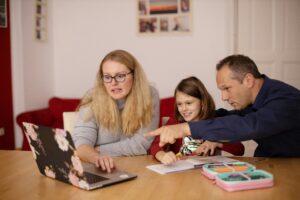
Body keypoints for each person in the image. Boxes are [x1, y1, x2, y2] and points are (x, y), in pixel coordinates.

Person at [146, 54, 300, 157]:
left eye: (227, 88)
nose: (224, 97)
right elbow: (232, 116)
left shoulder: (286, 100)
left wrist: (186, 128)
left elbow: (248, 125)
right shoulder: (255, 101)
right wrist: (202, 117)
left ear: (248, 80)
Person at [73, 49, 160, 172]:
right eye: (107, 77)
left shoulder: (149, 95)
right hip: (99, 168)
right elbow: (81, 145)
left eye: (120, 76)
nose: (113, 83)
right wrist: (96, 157)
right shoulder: (92, 97)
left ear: (134, 76)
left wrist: (99, 149)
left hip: (137, 169)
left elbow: (142, 143)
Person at [149, 77, 244, 164]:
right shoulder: (175, 122)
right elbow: (155, 146)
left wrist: (217, 142)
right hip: (180, 176)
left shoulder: (214, 122)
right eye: (179, 104)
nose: (184, 109)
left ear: (202, 102)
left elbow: (239, 149)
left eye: (189, 103)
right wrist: (162, 156)